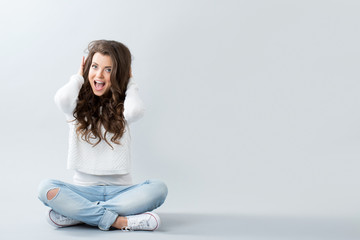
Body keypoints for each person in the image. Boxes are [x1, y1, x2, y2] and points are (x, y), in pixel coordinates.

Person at [37, 40, 168, 231]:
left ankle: (79, 214)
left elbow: (136, 111)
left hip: (122, 192)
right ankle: (121, 221)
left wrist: (130, 83)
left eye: (108, 69)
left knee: (159, 188)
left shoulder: (124, 106)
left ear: (119, 74)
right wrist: (78, 77)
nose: (99, 75)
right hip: (83, 192)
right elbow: (62, 98)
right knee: (45, 188)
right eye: (94, 66)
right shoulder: (75, 106)